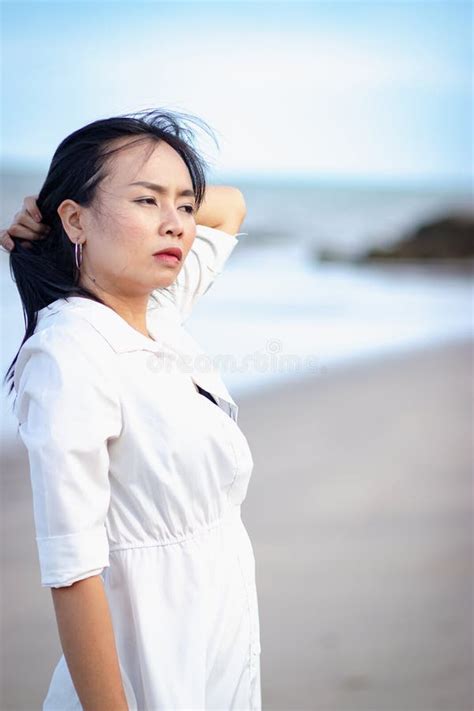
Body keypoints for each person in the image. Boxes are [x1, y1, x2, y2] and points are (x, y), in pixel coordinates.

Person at [2, 109, 261, 710]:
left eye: (185, 206)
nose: (177, 225)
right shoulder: (69, 354)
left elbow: (231, 205)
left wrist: (153, 196)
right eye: (147, 202)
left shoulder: (158, 312)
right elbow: (72, 570)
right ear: (75, 219)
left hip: (218, 641)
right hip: (145, 666)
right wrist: (54, 204)